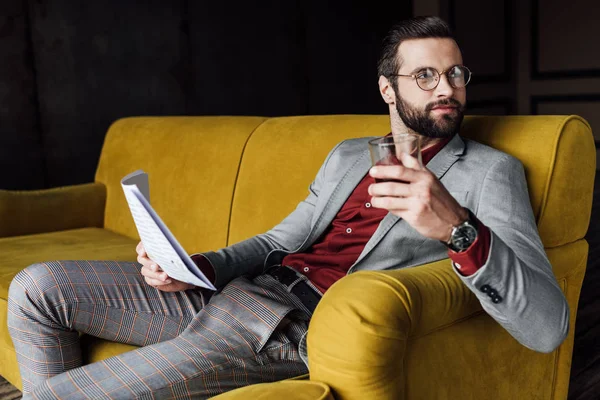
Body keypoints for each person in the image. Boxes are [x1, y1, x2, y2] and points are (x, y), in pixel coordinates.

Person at [8, 16, 569, 399]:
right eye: (425, 75)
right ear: (387, 90)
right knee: (37, 288)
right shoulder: (349, 154)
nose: (446, 88)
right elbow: (280, 241)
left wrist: (456, 229)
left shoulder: (490, 172)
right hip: (237, 290)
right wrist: (198, 266)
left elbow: (547, 327)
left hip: (283, 327)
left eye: (455, 74)